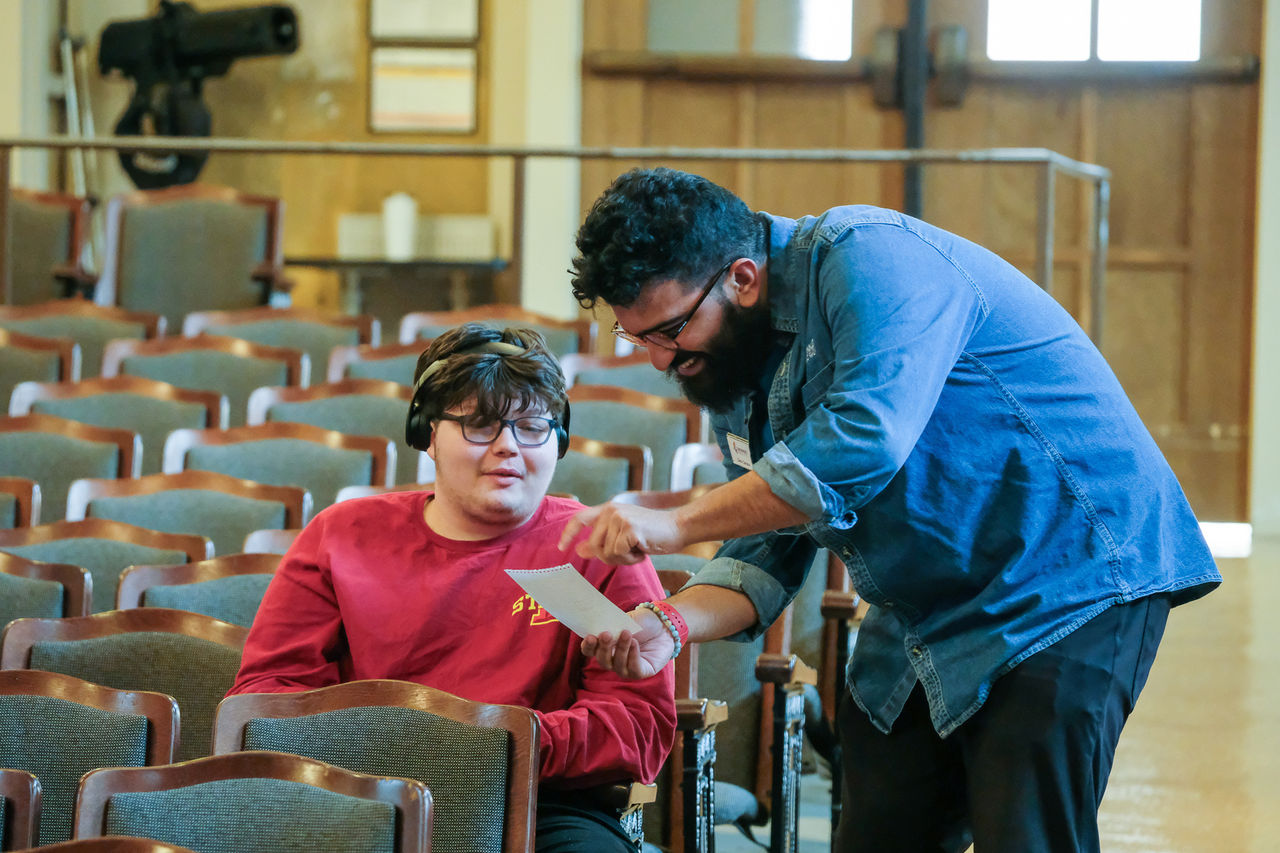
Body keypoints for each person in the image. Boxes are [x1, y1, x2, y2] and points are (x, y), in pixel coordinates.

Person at [559, 167, 1221, 853]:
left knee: (1024, 829)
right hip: (927, 608)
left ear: (744, 278)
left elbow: (863, 436)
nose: (663, 360)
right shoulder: (724, 360)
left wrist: (676, 521)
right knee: (878, 825)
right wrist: (668, 624)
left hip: (1066, 573)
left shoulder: (868, 255)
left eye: (669, 329)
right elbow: (764, 545)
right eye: (638, 339)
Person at [229, 322, 676, 853]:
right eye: (481, 425)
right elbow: (265, 697)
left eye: (532, 426)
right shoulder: (341, 534)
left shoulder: (601, 547)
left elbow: (636, 725)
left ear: (558, 440)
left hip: (540, 802)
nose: (509, 447)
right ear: (427, 435)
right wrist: (395, 748)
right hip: (358, 796)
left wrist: (484, 747)